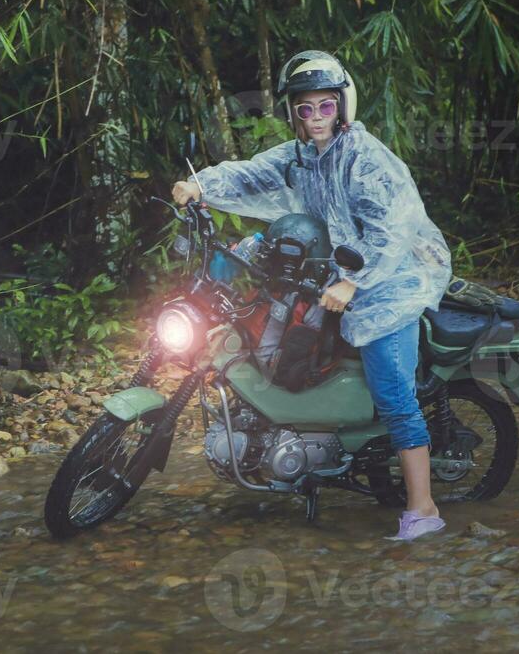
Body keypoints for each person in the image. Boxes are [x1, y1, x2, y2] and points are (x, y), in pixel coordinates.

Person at [172, 50, 453, 541]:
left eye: (326, 106)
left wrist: (353, 282)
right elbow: (251, 173)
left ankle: (423, 509)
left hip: (392, 285)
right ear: (294, 114)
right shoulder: (302, 156)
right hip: (336, 277)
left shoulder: (367, 159)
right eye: (305, 108)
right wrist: (199, 185)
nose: (316, 117)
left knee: (393, 395)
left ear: (343, 106)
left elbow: (392, 230)